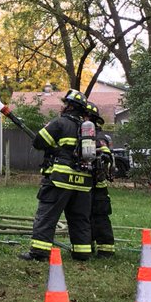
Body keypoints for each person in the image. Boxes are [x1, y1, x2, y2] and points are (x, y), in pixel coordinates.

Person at [18, 89, 95, 262]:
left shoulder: (60, 123)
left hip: (60, 180)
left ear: (69, 106)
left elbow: (38, 142)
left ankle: (39, 253)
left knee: (47, 215)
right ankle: (82, 253)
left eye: (65, 104)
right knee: (80, 219)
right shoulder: (87, 130)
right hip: (83, 182)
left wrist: (48, 136)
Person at [90, 130, 117, 258]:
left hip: (98, 188)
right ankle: (86, 247)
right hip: (85, 187)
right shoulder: (83, 134)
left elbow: (107, 158)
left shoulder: (99, 138)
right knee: (84, 218)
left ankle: (106, 250)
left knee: (100, 219)